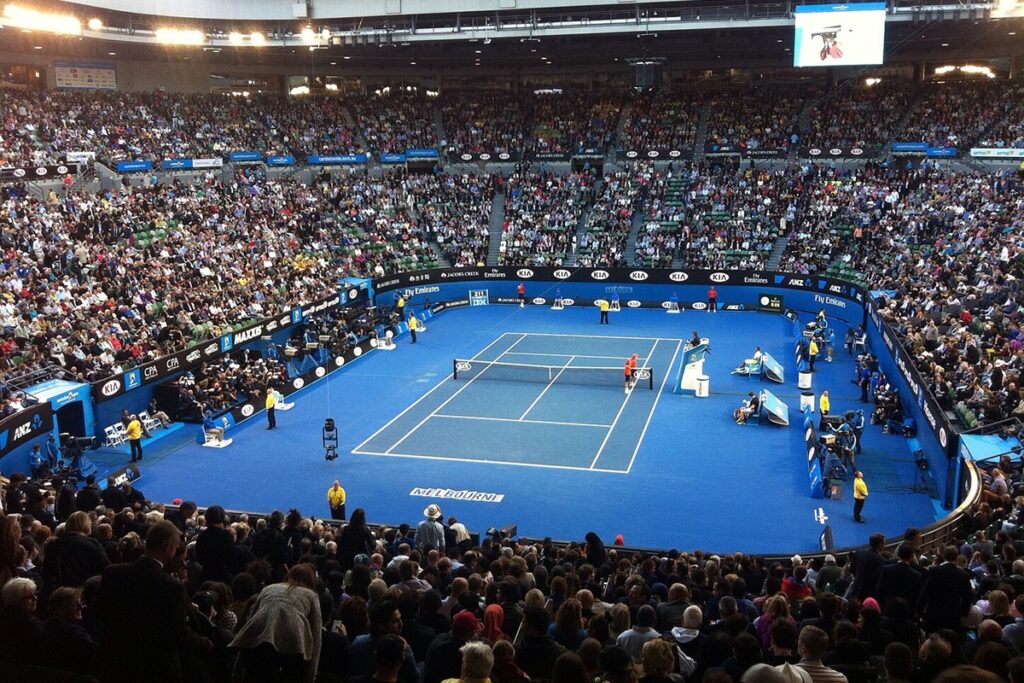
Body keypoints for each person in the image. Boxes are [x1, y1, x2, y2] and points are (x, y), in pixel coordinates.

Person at [93, 521, 212, 683]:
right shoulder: (171, 586)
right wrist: (206, 643)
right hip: (155, 670)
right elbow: (178, 634)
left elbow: (97, 612)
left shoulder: (112, 573)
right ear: (169, 546)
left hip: (115, 663)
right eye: (176, 546)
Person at [230, 563, 323, 682]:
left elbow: (250, 619)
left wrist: (236, 674)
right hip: (294, 640)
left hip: (260, 634)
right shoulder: (311, 595)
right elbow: (316, 635)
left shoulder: (269, 588)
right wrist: (311, 676)